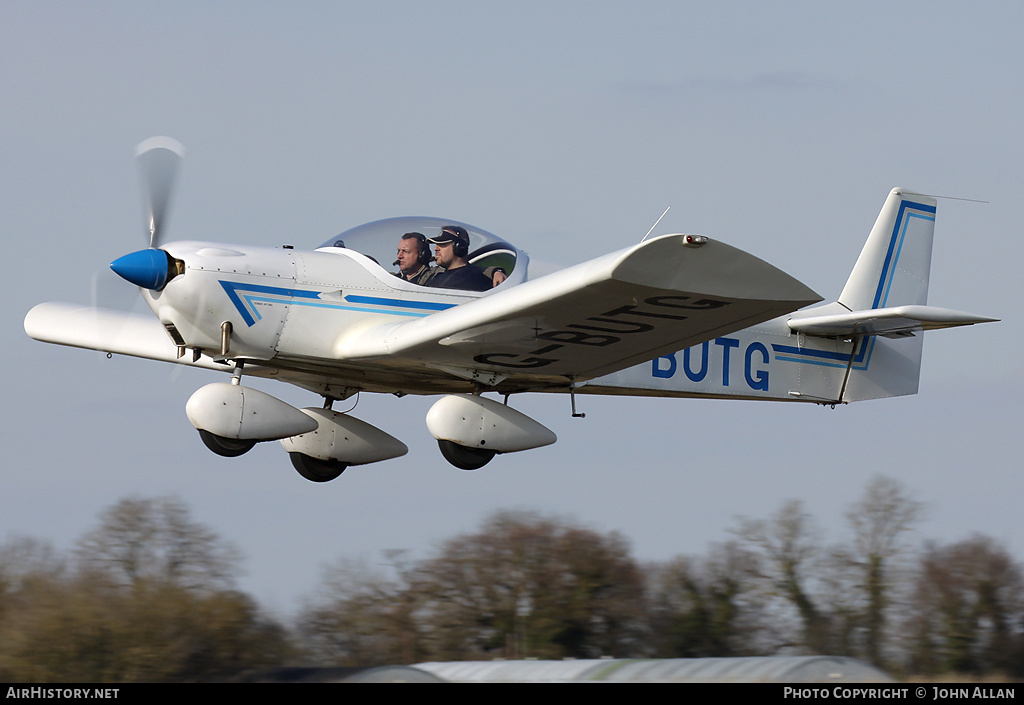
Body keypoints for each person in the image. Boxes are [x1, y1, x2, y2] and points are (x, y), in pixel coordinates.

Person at [426, 226, 493, 291]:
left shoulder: (473, 280)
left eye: (442, 244)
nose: (435, 248)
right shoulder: (437, 277)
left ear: (459, 247)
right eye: (436, 244)